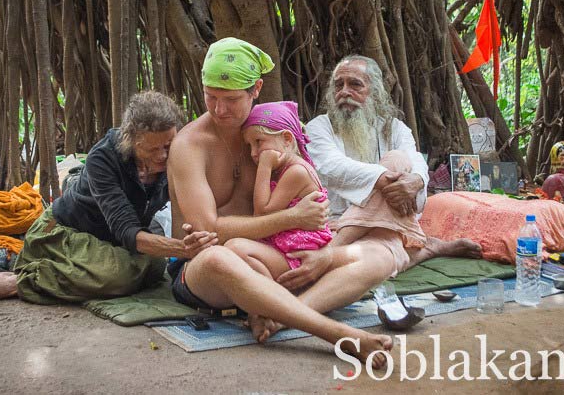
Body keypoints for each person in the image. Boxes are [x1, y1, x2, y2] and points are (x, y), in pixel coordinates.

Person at [167, 37, 394, 368]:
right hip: (204, 269)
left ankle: (277, 315)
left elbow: (311, 202)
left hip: (272, 256)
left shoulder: (273, 133)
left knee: (378, 256)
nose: (218, 109)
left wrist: (324, 253)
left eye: (230, 99)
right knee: (219, 257)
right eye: (210, 96)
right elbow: (210, 232)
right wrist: (292, 219)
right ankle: (335, 333)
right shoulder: (189, 145)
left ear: (256, 89)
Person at [0, 91, 217, 304]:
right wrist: (182, 248)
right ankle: (20, 281)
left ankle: (73, 269)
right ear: (131, 141)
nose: (164, 155)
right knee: (122, 275)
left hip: (110, 243)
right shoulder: (103, 158)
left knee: (153, 267)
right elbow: (127, 231)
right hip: (60, 231)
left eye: (169, 145)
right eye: (153, 148)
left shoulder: (176, 157)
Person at [305, 55, 481, 278]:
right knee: (377, 260)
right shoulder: (319, 127)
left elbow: (416, 162)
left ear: (375, 92)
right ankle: (427, 249)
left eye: (355, 84)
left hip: (385, 225)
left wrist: (415, 181)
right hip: (335, 223)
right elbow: (332, 167)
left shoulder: (394, 128)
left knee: (398, 157)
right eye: (338, 85)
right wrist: (385, 180)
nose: (344, 92)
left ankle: (332, 254)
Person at [228, 101, 333, 279]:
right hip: (287, 249)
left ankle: (273, 296)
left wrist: (264, 166)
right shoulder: (287, 170)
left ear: (287, 139)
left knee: (236, 249)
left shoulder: (297, 172)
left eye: (259, 142)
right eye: (249, 146)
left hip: (297, 256)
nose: (254, 152)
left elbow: (261, 214)